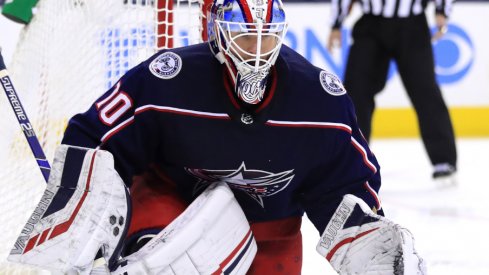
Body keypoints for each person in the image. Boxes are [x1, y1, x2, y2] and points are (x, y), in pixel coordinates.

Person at [57, 0, 425, 273]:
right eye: (245, 36)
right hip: (169, 213)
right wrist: (86, 220)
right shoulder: (166, 81)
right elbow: (94, 137)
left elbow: (343, 188)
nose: (257, 52)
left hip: (271, 231)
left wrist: (367, 242)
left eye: (266, 38)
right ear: (217, 33)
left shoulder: (319, 102)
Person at [328, 0, 457, 182]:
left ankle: (444, 159)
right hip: (371, 25)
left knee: (425, 90)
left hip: (411, 25)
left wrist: (442, 10)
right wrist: (336, 23)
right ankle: (351, 158)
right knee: (356, 91)